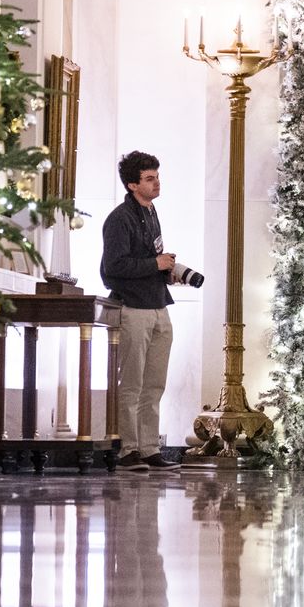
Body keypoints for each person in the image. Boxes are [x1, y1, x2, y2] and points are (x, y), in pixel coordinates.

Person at [100, 150, 196, 471]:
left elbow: (145, 259)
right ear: (132, 184)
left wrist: (166, 270)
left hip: (158, 305)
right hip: (133, 307)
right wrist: (155, 264)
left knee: (154, 384)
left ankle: (149, 448)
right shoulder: (119, 219)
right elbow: (112, 268)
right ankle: (128, 450)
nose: (157, 183)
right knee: (131, 383)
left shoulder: (151, 212)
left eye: (157, 176)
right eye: (149, 178)